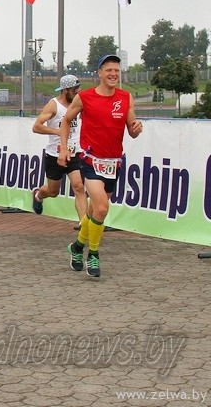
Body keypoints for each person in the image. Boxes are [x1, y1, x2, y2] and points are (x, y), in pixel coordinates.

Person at [60, 54, 143, 278]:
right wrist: (64, 148)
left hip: (113, 162)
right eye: (109, 70)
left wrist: (136, 128)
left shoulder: (125, 97)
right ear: (100, 73)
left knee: (94, 210)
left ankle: (77, 247)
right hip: (90, 159)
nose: (113, 74)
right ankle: (93, 254)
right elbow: (66, 120)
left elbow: (132, 128)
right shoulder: (85, 97)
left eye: (116, 70)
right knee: (103, 208)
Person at [31, 74, 87, 223]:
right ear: (65, 90)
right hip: (55, 155)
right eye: (75, 90)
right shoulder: (54, 104)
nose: (78, 93)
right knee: (53, 191)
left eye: (79, 89)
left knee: (79, 187)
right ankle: (38, 195)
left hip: (75, 152)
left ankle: (83, 225)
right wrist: (58, 131)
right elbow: (36, 127)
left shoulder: (79, 103)